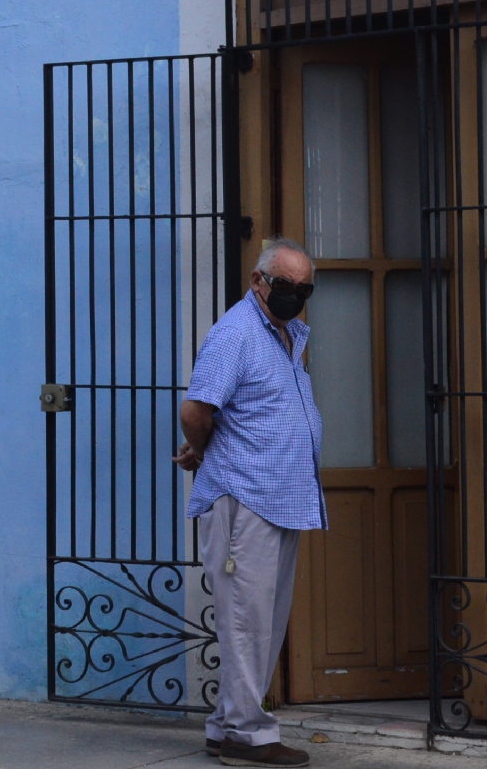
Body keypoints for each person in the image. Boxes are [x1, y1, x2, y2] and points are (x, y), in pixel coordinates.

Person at [175, 236, 324, 768]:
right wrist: (206, 450)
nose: (296, 295)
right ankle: (246, 733)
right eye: (285, 285)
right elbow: (196, 408)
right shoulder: (237, 332)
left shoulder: (287, 336)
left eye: (305, 288)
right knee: (246, 620)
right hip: (246, 498)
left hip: (280, 498)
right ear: (259, 281)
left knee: (263, 618)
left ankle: (225, 725)